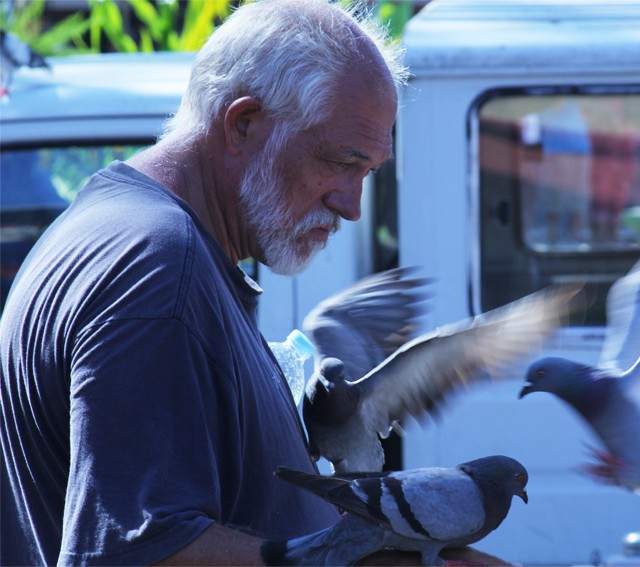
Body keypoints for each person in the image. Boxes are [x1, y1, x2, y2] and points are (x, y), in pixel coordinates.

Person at [0, 1, 507, 565]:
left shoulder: (141, 239)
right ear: (242, 124)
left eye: (365, 173)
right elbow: (136, 553)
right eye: (341, 162)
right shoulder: (158, 272)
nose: (351, 205)